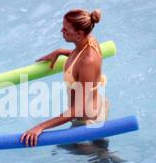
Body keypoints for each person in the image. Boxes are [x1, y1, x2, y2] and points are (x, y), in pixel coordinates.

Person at [20, 8, 109, 147]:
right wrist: (60, 52)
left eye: (66, 29)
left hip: (89, 120)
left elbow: (78, 108)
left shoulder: (88, 61)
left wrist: (41, 126)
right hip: (92, 109)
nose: (62, 31)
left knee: (65, 147)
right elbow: (79, 57)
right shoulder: (89, 40)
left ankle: (113, 161)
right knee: (96, 152)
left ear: (79, 34)